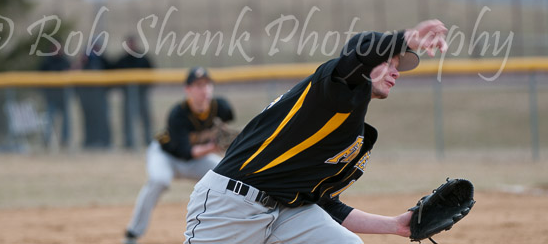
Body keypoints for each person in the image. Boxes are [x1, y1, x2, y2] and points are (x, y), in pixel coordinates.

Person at [183, 20, 448, 244]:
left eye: (397, 66)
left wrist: (397, 225)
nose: (396, 72)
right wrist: (406, 38)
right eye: (388, 63)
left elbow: (326, 203)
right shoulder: (332, 91)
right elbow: (352, 64)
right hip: (231, 205)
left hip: (285, 211)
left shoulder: (354, 132)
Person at [123, 66, 235, 244]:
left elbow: (228, 124)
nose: (204, 89)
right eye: (198, 85)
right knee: (159, 180)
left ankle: (227, 231)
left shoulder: (220, 107)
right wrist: (213, 146)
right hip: (166, 156)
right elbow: (186, 152)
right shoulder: (178, 113)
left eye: (207, 84)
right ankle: (132, 233)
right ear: (187, 89)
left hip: (197, 157)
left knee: (227, 177)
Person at [113, 36, 155, 149]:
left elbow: (152, 72)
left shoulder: (142, 58)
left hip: (142, 93)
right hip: (128, 95)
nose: (130, 46)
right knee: (127, 119)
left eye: (132, 43)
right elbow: (112, 71)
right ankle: (129, 142)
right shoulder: (123, 60)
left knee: (146, 118)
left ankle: (149, 141)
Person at [77, 42, 112, 149]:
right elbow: (74, 73)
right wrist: (81, 62)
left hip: (100, 95)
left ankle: (105, 142)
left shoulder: (103, 59)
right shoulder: (84, 60)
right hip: (87, 96)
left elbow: (112, 72)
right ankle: (89, 142)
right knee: (89, 119)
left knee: (103, 119)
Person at [39, 45, 71, 148]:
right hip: (51, 97)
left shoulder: (65, 61)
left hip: (63, 97)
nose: (57, 51)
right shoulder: (47, 62)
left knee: (67, 121)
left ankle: (65, 142)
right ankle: (46, 142)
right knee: (49, 121)